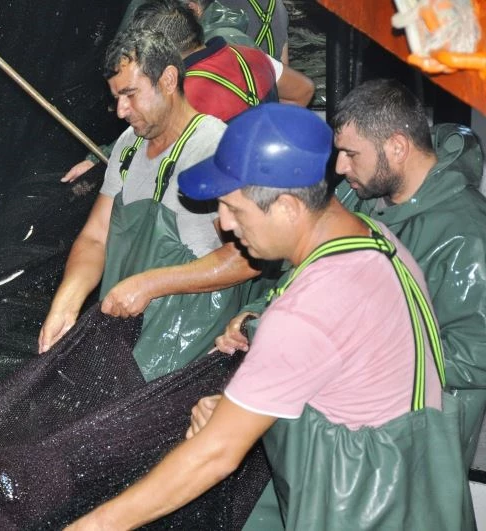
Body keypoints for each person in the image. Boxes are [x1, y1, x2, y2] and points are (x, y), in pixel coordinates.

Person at [65, 103, 474, 530]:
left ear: (288, 207)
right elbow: (354, 374)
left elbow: (214, 456)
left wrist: (93, 526)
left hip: (360, 510)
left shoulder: (308, 308)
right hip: (416, 489)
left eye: (234, 209)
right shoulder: (375, 240)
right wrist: (243, 410)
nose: (225, 225)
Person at [219, 78, 486, 530]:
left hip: (410, 442)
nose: (340, 168)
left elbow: (477, 354)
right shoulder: (357, 194)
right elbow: (307, 270)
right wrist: (261, 311)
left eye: (350, 154)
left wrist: (363, 351)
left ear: (397, 147)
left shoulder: (468, 234)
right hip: (331, 421)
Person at [38, 28, 258, 382]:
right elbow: (96, 236)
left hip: (187, 340)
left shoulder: (215, 150)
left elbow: (248, 260)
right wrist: (67, 301)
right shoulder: (128, 146)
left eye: (130, 94)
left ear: (168, 80)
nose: (121, 110)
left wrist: (150, 284)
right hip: (124, 330)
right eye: (116, 98)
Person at [62, 0, 313, 182]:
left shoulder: (185, 97)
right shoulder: (248, 53)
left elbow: (141, 150)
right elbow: (303, 90)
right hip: (278, 175)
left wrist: (96, 162)